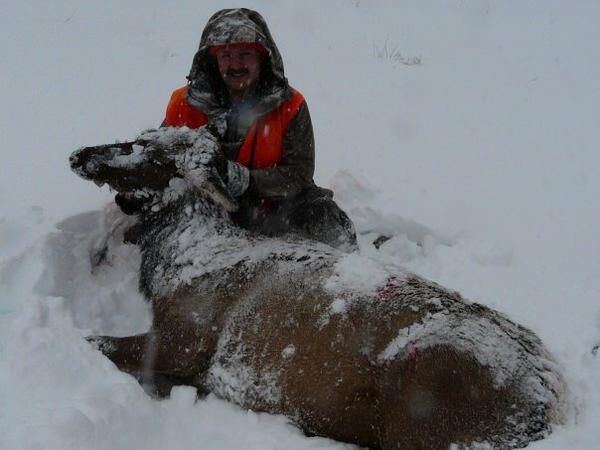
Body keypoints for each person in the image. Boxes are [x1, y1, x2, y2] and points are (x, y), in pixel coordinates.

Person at [117, 8, 357, 251]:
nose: (236, 64)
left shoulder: (291, 105)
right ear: (213, 60)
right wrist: (136, 190)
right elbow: (160, 159)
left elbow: (299, 173)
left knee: (322, 212)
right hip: (206, 210)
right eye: (226, 55)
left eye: (245, 54)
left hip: (273, 210)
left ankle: (354, 273)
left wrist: (244, 180)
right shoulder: (184, 103)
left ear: (262, 58)